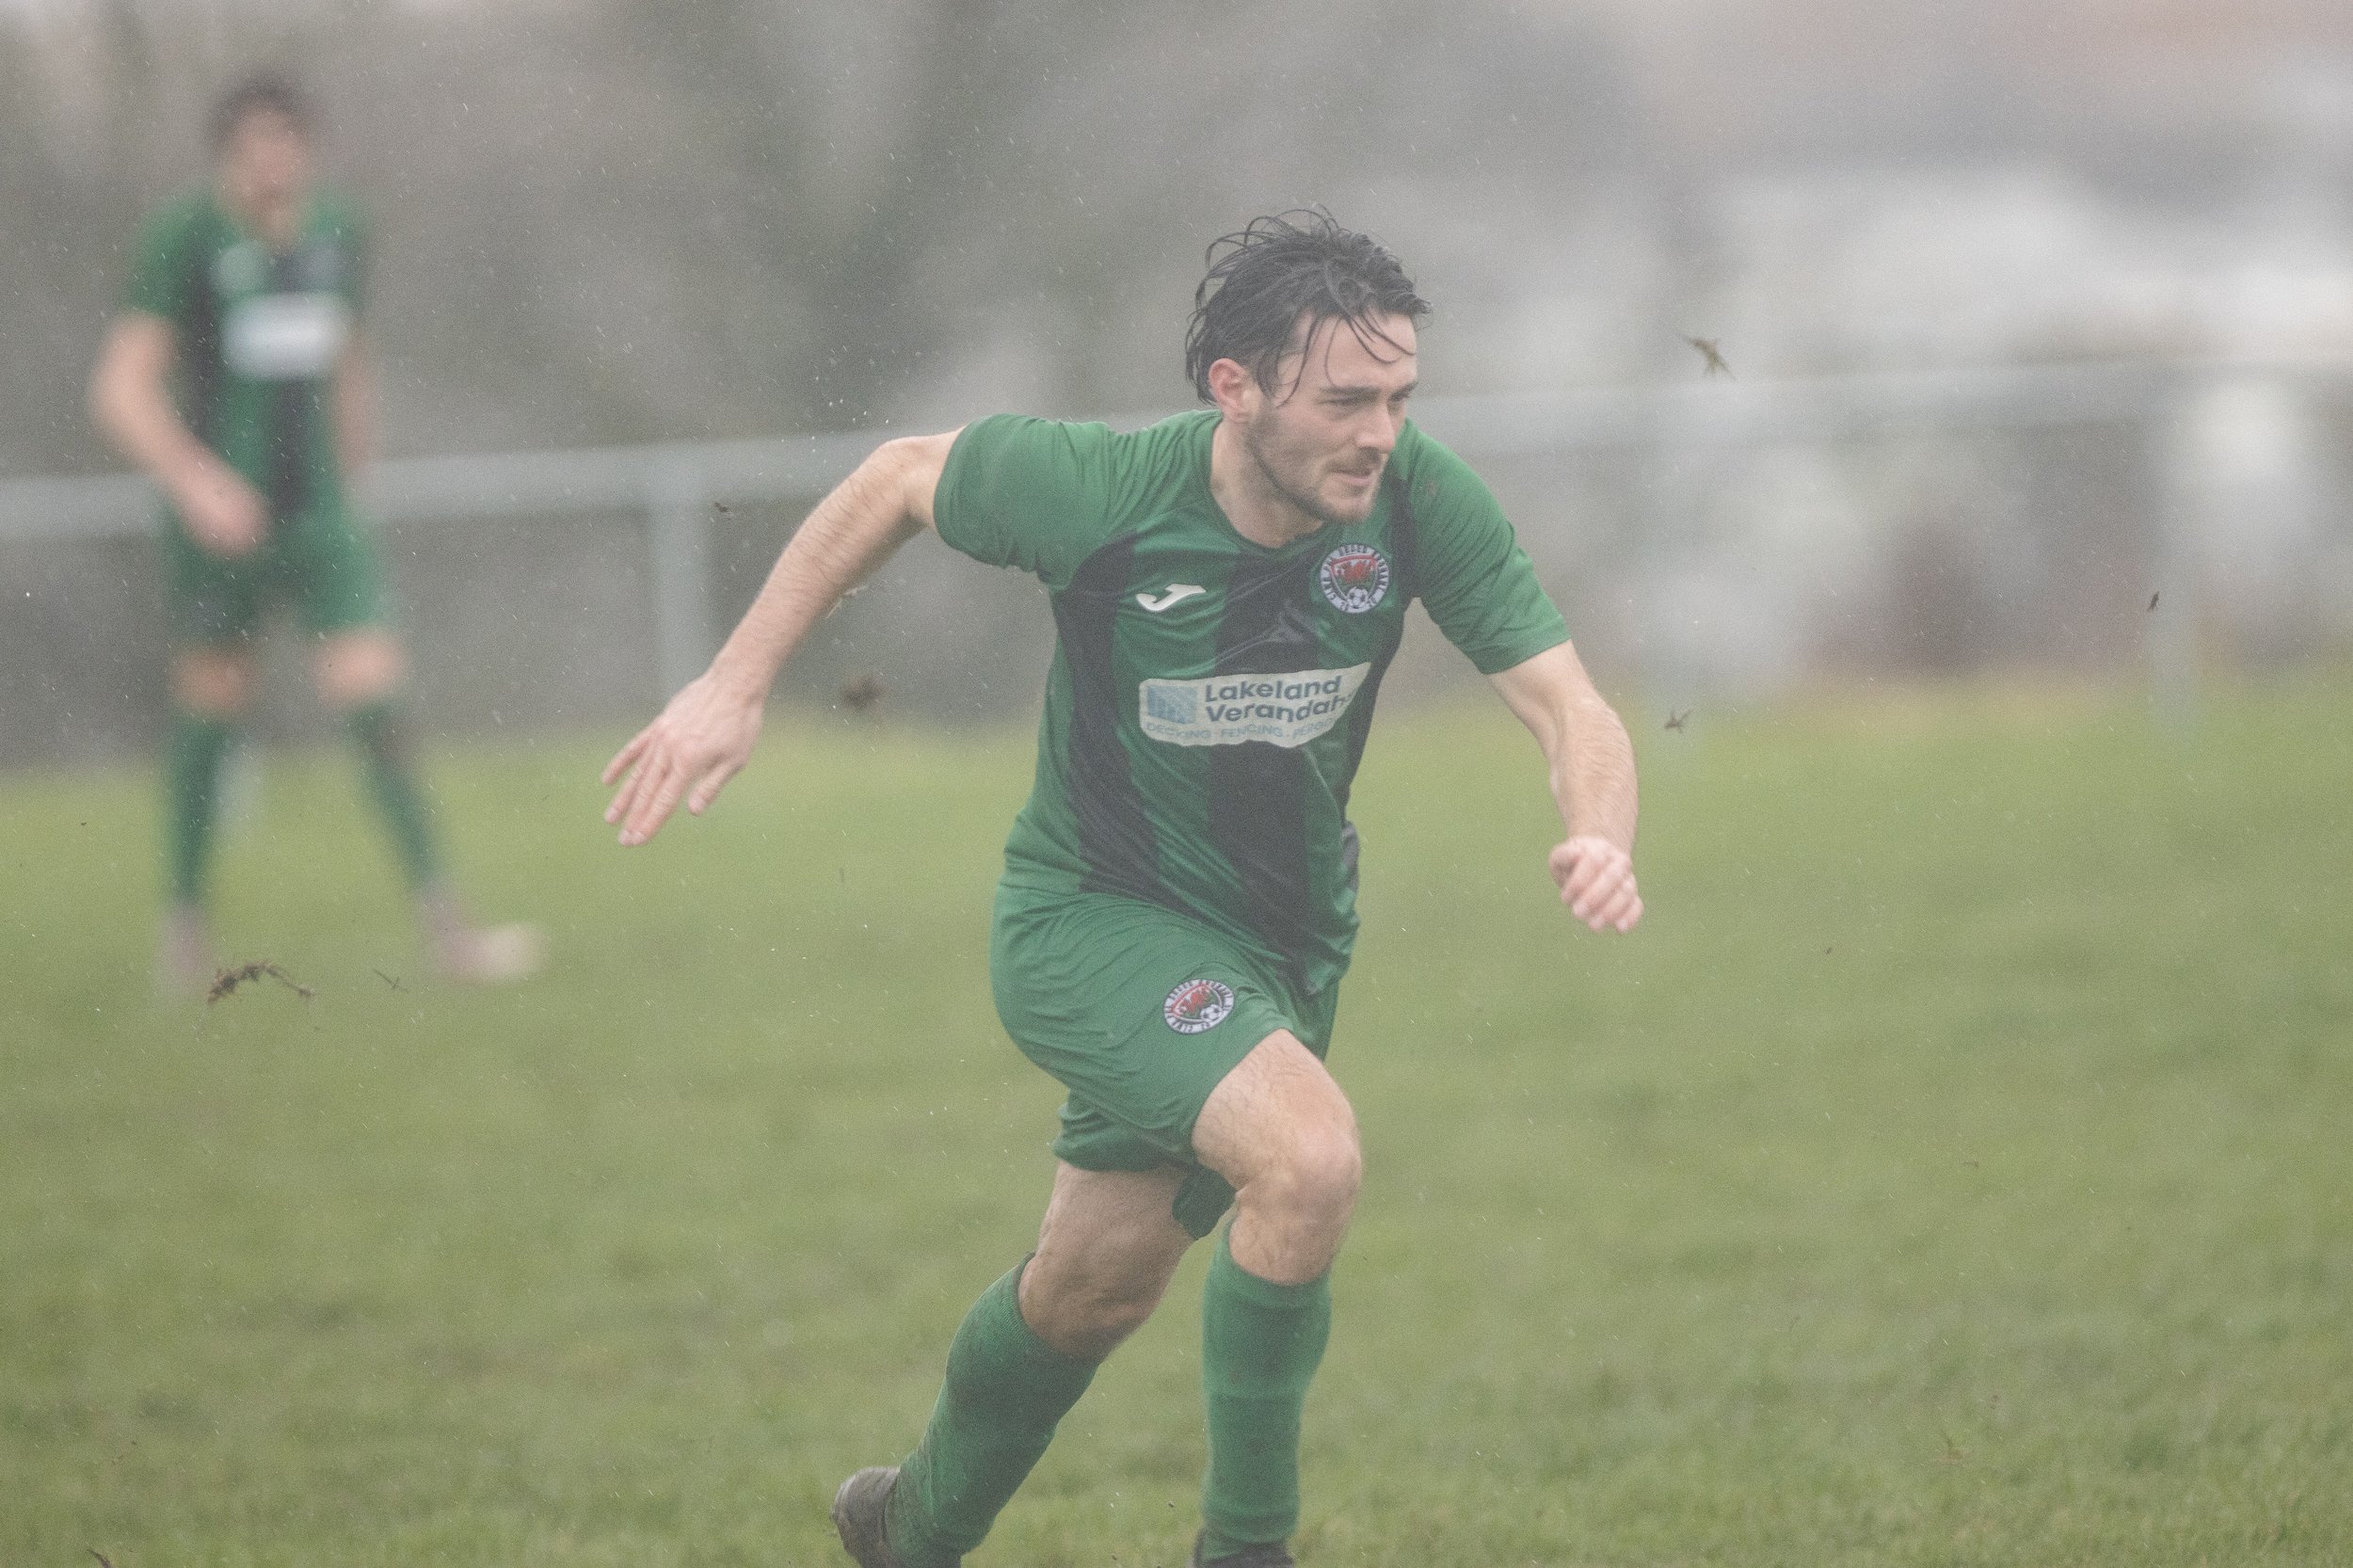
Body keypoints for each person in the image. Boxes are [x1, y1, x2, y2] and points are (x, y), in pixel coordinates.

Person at [601, 212, 1642, 1567]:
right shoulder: (1097, 489)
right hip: (1091, 923)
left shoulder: (1415, 498)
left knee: (1089, 1289)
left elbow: (1571, 703)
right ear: (1236, 386)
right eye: (1344, 399)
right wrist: (734, 684)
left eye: (1398, 398)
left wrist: (1601, 829)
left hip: (1285, 948)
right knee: (1310, 1159)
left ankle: (904, 1530)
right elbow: (899, 477)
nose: (1379, 432)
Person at [88, 72, 542, 992]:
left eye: (288, 142)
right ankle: (183, 930)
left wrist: (355, 470)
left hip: (322, 520)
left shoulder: (338, 232)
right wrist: (196, 481)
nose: (274, 162)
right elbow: (118, 388)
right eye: (256, 144)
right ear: (227, 151)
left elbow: (349, 360)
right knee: (210, 714)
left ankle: (448, 931)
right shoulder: (185, 238)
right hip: (220, 528)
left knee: (378, 704)